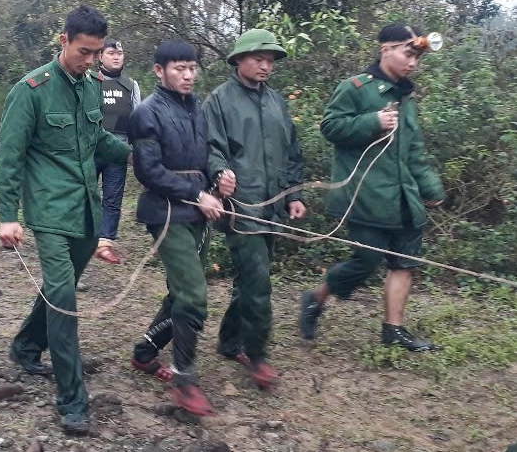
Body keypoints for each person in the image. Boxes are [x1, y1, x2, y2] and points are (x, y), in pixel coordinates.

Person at [0, 5, 131, 435]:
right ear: (64, 41)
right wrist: (6, 216)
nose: (91, 60)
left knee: (60, 291)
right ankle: (73, 399)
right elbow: (9, 157)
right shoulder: (31, 90)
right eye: (84, 52)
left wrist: (144, 156)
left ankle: (26, 345)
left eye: (97, 53)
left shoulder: (92, 87)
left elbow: (99, 140)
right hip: (50, 214)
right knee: (65, 302)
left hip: (88, 212)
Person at [299, 23, 446, 351]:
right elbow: (330, 126)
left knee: (404, 262)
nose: (412, 63)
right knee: (366, 261)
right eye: (408, 54)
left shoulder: (405, 94)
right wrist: (372, 122)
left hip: (404, 198)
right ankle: (316, 297)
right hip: (365, 196)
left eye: (417, 58)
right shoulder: (355, 88)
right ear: (385, 51)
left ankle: (393, 330)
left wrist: (430, 188)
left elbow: (414, 149)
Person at [202, 28, 306, 389]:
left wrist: (293, 195)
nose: (265, 66)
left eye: (270, 61)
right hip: (241, 206)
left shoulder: (278, 102)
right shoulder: (218, 101)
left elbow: (292, 151)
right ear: (239, 60)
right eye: (259, 59)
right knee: (258, 281)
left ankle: (229, 341)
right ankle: (257, 356)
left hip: (274, 203)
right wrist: (220, 173)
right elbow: (209, 147)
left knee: (250, 278)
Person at [127, 39, 225, 416]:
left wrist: (218, 181)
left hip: (199, 211)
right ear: (159, 71)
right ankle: (185, 379)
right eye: (179, 68)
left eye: (192, 68)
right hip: (165, 213)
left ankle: (145, 352)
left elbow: (207, 156)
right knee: (194, 297)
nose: (187, 75)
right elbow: (148, 171)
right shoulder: (146, 113)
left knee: (181, 291)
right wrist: (197, 193)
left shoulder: (197, 109)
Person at [94, 38, 141, 264]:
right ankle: (79, 235)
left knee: (113, 197)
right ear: (100, 56)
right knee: (84, 192)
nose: (116, 57)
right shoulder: (89, 81)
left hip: (120, 148)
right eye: (111, 53)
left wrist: (137, 151)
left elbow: (139, 120)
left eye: (120, 54)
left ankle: (105, 243)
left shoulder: (131, 86)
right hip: (91, 147)